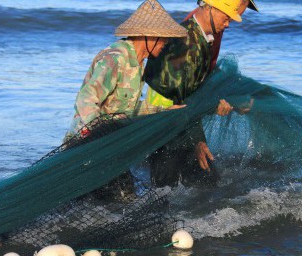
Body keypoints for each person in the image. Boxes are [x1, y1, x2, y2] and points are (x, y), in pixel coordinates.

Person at [67, 0, 187, 199]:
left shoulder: (139, 64)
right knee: (106, 199)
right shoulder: (115, 58)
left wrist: (165, 111)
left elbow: (129, 108)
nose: (166, 43)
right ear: (148, 36)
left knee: (124, 197)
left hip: (110, 147)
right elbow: (86, 99)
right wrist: (98, 133)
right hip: (86, 146)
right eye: (164, 38)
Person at [143, 0, 258, 187]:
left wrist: (230, 104)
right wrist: (198, 141)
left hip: (180, 122)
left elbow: (194, 89)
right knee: (165, 191)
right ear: (209, 9)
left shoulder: (202, 37)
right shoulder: (186, 43)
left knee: (205, 186)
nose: (228, 24)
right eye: (226, 17)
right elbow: (182, 98)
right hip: (164, 125)